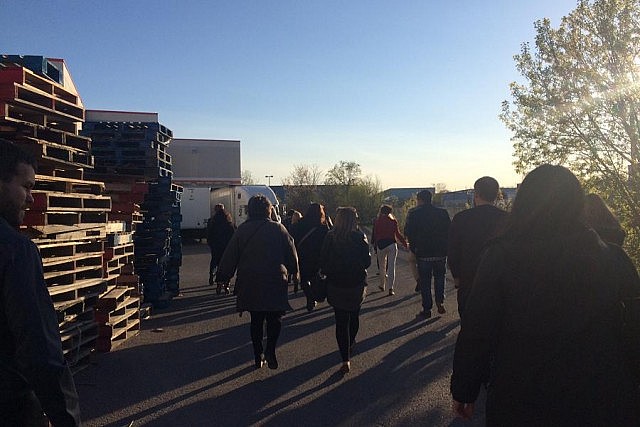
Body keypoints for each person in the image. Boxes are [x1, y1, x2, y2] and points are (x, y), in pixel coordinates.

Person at [451, 164, 640, 426]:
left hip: (522, 396)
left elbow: (478, 327)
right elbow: (634, 328)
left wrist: (464, 388)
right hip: (602, 394)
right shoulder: (613, 258)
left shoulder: (501, 257)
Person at [0, 139, 81, 426]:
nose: (32, 199)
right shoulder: (14, 250)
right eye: (27, 187)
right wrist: (65, 418)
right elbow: (38, 348)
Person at [216, 195, 299, 370]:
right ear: (269, 209)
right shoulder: (279, 229)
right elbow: (291, 252)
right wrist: (294, 270)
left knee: (256, 319)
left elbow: (231, 254)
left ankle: (257, 354)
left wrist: (224, 275)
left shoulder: (243, 230)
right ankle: (270, 349)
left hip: (250, 280)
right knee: (275, 318)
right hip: (275, 279)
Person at [319, 207, 371, 374]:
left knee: (341, 322)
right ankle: (351, 342)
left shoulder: (330, 237)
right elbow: (367, 261)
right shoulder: (359, 237)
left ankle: (345, 359)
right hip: (356, 284)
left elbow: (323, 260)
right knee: (354, 315)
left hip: (336, 284)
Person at [447, 176, 507, 318]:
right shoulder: (507, 218)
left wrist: (456, 275)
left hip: (470, 276)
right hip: (500, 279)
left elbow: (453, 249)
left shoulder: (461, 218)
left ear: (476, 194)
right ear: (497, 194)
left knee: (469, 318)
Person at [404, 189, 451, 318]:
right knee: (440, 277)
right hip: (440, 252)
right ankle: (440, 300)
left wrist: (413, 248)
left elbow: (408, 232)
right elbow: (449, 231)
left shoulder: (413, 213)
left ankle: (427, 308)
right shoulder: (442, 212)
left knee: (425, 281)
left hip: (423, 252)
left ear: (419, 200)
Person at [290, 203, 330, 310]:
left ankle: (309, 297)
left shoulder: (300, 224)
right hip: (317, 257)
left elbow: (293, 238)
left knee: (304, 280)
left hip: (302, 256)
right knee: (314, 278)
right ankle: (313, 296)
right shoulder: (323, 227)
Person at [371, 204, 407, 296]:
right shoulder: (393, 221)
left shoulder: (376, 221)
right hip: (391, 244)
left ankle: (382, 285)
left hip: (380, 245)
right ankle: (390, 288)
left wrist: (374, 245)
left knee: (382, 266)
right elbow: (397, 234)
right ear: (390, 212)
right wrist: (405, 244)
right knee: (391, 267)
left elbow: (375, 234)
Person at [206, 203, 235, 293]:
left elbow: (208, 233)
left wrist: (210, 243)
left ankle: (212, 276)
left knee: (215, 262)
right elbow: (233, 233)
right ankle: (226, 285)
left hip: (216, 246)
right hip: (226, 246)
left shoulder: (212, 221)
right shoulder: (228, 221)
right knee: (226, 266)